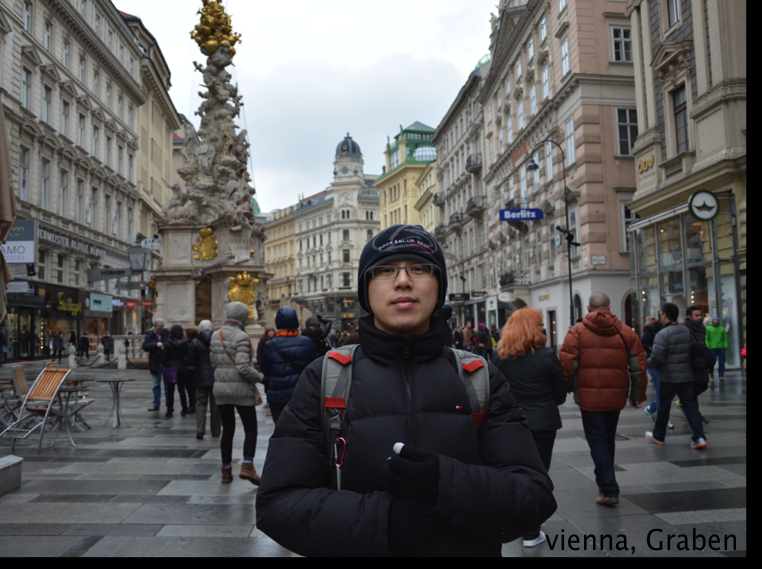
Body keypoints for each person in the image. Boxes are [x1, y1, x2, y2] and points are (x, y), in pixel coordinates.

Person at [256, 224, 557, 557]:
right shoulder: (324, 378)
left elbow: (533, 495)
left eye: (419, 268)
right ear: (366, 290)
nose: (402, 280)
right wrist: (382, 522)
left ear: (438, 286)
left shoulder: (480, 378)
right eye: (384, 270)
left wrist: (447, 482)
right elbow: (277, 503)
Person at [559, 293, 647, 507]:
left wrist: (569, 388)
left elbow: (567, 365)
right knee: (607, 439)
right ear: (609, 306)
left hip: (589, 397)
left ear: (588, 308)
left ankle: (608, 488)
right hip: (616, 395)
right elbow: (639, 368)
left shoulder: (576, 332)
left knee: (597, 440)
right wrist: (637, 395)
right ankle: (604, 482)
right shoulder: (626, 332)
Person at [493, 307, 567, 548]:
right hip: (543, 421)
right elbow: (560, 393)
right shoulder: (546, 355)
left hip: (513, 422)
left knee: (516, 472)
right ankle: (531, 532)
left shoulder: (500, 356)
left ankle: (519, 521)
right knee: (539, 473)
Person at [210, 301, 265, 485]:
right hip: (241, 390)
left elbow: (213, 362)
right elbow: (243, 367)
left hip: (221, 389)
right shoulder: (241, 336)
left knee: (228, 429)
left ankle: (226, 472)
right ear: (243, 316)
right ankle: (247, 466)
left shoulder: (215, 335)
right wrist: (260, 377)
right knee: (251, 429)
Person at [645, 303, 707, 449]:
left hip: (669, 376)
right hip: (687, 375)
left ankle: (659, 435)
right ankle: (699, 437)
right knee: (691, 406)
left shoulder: (662, 334)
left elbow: (656, 358)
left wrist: (647, 362)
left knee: (664, 406)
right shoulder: (686, 330)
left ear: (664, 315)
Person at [260, 306, 318, 423]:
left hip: (277, 397)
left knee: (281, 429)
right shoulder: (307, 342)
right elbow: (314, 366)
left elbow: (264, 369)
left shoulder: (269, 345)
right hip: (302, 394)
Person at [189, 320, 221, 440]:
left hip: (200, 377)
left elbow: (191, 362)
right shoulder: (217, 342)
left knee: (200, 404)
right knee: (216, 406)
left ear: (200, 329)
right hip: (215, 376)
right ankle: (216, 430)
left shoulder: (195, 343)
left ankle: (200, 430)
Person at [640, 316, 670, 427]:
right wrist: (653, 350)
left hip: (662, 363)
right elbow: (643, 341)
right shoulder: (653, 329)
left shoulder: (663, 329)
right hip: (654, 363)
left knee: (663, 391)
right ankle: (663, 417)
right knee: (660, 390)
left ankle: (652, 408)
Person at [684, 306, 710, 424]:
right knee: (694, 390)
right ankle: (695, 415)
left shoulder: (701, 328)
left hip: (701, 363)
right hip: (693, 364)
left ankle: (690, 408)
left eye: (700, 315)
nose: (700, 317)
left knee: (703, 385)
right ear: (689, 316)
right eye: (696, 315)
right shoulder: (686, 328)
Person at [163, 324, 190, 418]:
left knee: (170, 390)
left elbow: (164, 356)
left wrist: (166, 364)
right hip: (181, 367)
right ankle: (184, 408)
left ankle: (169, 410)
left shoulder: (167, 343)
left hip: (170, 367)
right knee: (181, 389)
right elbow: (188, 355)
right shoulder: (185, 342)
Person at [142, 318, 169, 412]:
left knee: (167, 385)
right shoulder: (150, 335)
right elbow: (145, 347)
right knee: (156, 385)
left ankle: (168, 404)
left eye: (161, 328)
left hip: (165, 363)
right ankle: (156, 403)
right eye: (158, 329)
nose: (160, 330)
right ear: (154, 327)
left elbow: (170, 343)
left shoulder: (167, 334)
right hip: (155, 363)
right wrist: (155, 344)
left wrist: (164, 344)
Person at [706, 315, 728, 382]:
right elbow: (707, 338)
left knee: (721, 363)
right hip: (712, 348)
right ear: (712, 320)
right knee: (712, 361)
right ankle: (711, 372)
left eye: (717, 320)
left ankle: (721, 376)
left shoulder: (721, 329)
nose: (716, 321)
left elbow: (725, 338)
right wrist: (708, 346)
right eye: (715, 320)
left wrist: (725, 346)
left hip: (721, 348)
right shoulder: (708, 328)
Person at [182, 328, 198, 414]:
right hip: (196, 368)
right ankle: (194, 404)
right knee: (194, 388)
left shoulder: (187, 344)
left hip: (189, 368)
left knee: (189, 387)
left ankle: (192, 404)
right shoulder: (198, 343)